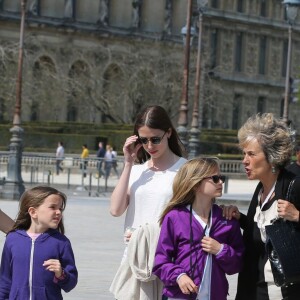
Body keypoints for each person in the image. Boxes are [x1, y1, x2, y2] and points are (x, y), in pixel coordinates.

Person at [109, 105, 187, 299]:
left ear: (168, 132)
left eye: (155, 139)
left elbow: (189, 219)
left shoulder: (185, 170)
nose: (150, 146)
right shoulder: (136, 171)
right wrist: (128, 163)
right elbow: (116, 210)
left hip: (168, 260)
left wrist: (149, 235)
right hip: (134, 258)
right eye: (144, 140)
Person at [222, 113, 300, 300]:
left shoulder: (294, 185)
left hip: (284, 290)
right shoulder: (261, 187)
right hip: (253, 285)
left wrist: (298, 215)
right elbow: (261, 232)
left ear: (272, 157)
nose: (244, 160)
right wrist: (240, 218)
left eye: (251, 154)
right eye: (244, 154)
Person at [153, 158, 244, 300]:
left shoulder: (227, 220)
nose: (221, 182)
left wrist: (221, 250)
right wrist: (179, 276)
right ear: (195, 184)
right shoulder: (175, 217)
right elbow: (160, 262)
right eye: (215, 178)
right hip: (179, 296)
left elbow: (237, 265)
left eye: (221, 177)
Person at [0, 186, 78, 299]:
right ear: (33, 212)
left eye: (60, 209)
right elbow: (5, 280)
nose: (58, 212)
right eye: (53, 207)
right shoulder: (13, 239)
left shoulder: (61, 242)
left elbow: (71, 284)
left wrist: (61, 274)